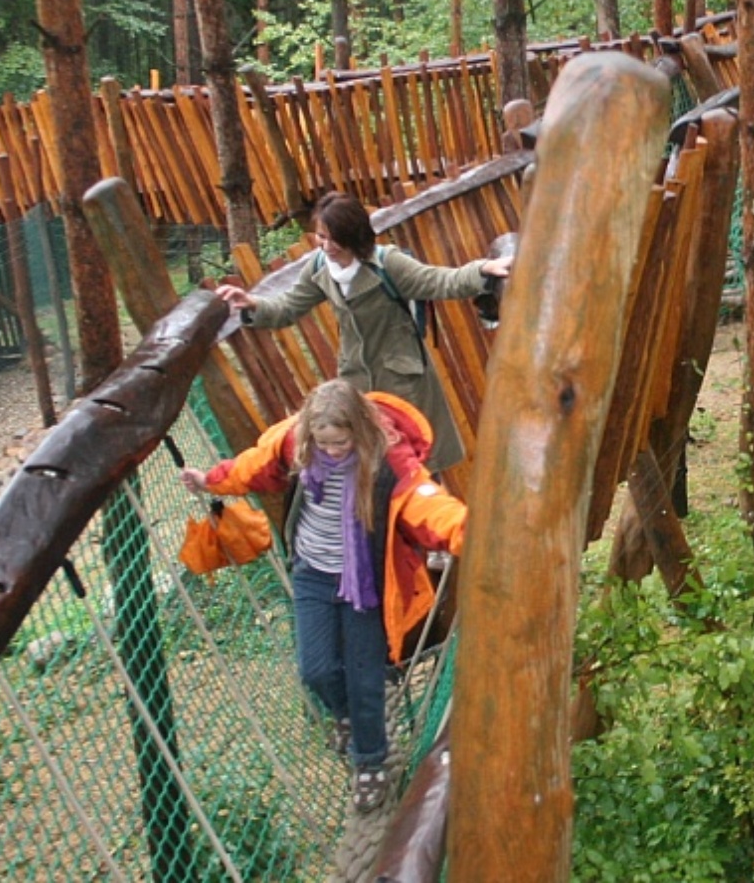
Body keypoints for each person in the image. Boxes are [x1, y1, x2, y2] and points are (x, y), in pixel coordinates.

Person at [180, 379, 467, 814]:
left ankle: (370, 766)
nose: (332, 452)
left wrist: (474, 533)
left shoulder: (388, 459)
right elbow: (254, 466)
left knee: (364, 675)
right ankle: (347, 716)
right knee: (315, 670)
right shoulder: (297, 441)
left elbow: (428, 505)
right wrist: (210, 481)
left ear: (360, 431)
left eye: (341, 442)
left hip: (364, 580)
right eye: (324, 443)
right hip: (313, 572)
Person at [216, 192, 511, 473]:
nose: (328, 246)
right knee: (372, 468)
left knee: (415, 466)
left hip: (403, 379)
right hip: (357, 381)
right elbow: (288, 308)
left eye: (336, 239)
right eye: (322, 237)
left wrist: (483, 269)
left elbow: (440, 280)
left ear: (355, 237)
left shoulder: (387, 263)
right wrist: (252, 303)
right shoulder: (319, 266)